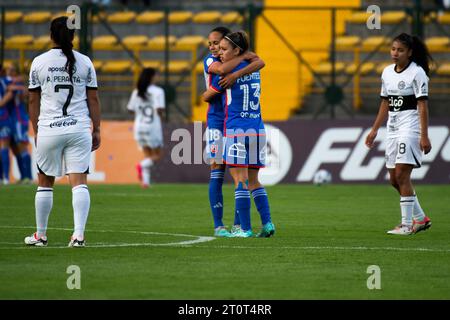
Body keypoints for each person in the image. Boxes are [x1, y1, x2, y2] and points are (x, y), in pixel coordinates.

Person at [24, 16, 101, 247]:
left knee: (45, 182)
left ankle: (41, 235)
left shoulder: (38, 62)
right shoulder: (85, 61)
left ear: (51, 35)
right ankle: (78, 236)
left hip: (49, 128)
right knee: (79, 181)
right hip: (78, 128)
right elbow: (93, 98)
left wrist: (37, 129)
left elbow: (32, 100)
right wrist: (96, 129)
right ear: (73, 36)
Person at [203, 31, 275, 238]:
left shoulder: (226, 72)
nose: (218, 51)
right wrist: (245, 59)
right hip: (257, 128)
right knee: (253, 180)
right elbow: (260, 62)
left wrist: (231, 75)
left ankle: (243, 228)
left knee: (240, 180)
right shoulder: (252, 67)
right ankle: (267, 223)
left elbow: (207, 95)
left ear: (236, 49)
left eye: (223, 48)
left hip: (235, 128)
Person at [365, 33, 432, 236]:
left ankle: (406, 225)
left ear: (409, 53)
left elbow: (422, 105)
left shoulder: (417, 73)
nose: (395, 53)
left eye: (400, 50)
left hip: (410, 128)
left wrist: (424, 135)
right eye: (393, 49)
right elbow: (385, 102)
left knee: (403, 174)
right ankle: (420, 219)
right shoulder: (387, 73)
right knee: (394, 179)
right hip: (392, 129)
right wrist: (375, 129)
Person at [126, 67, 165, 188]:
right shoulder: (158, 91)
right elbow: (160, 109)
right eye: (156, 75)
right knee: (157, 155)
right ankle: (142, 165)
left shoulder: (137, 91)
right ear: (151, 77)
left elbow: (130, 110)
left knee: (148, 155)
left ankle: (145, 182)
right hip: (152, 127)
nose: (158, 77)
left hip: (139, 126)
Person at [5, 62, 33, 184]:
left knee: (22, 147)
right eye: (8, 70)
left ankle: (28, 177)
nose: (8, 72)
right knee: (16, 149)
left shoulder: (16, 83)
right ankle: (23, 177)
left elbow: (25, 92)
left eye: (11, 70)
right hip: (11, 119)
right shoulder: (10, 82)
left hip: (19, 119)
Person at [0, 65, 13, 185]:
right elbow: (12, 89)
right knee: (4, 147)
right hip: (3, 116)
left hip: (3, 116)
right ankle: (6, 178)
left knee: (4, 147)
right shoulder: (5, 81)